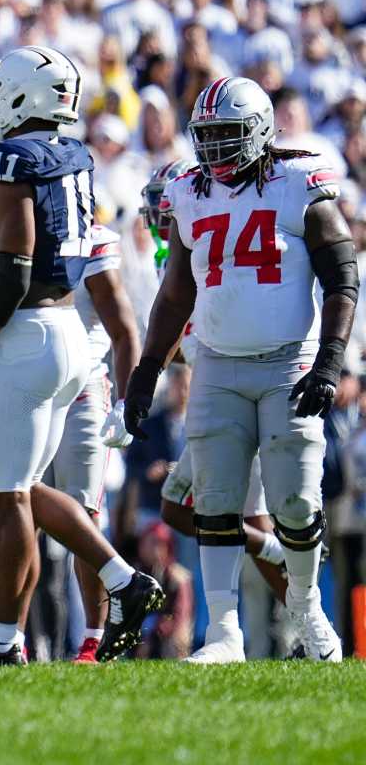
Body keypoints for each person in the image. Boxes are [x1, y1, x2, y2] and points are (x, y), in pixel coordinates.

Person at [0, 46, 164, 665]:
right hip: (66, 334)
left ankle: (118, 582)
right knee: (23, 492)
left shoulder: (11, 158)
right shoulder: (77, 156)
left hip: (26, 332)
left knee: (10, 498)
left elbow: (11, 271)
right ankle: (7, 641)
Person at [127, 76, 355, 663]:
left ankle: (307, 611)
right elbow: (176, 292)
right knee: (217, 500)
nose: (215, 148)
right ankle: (222, 632)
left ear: (258, 130)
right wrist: (148, 367)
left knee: (297, 504)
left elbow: (341, 275)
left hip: (289, 362)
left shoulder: (300, 180)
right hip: (218, 365)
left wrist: (331, 359)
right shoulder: (187, 189)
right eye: (206, 136)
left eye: (227, 135)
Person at [142, 160, 291, 660]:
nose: (158, 216)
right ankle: (293, 617)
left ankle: (302, 627)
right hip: (215, 399)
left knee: (241, 515)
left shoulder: (208, 257)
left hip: (234, 395)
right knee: (201, 513)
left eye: (162, 205)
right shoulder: (180, 259)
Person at [41, 223, 143, 663]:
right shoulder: (7, 229)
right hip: (26, 392)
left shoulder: (92, 242)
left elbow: (123, 329)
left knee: (83, 514)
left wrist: (126, 401)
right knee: (15, 507)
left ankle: (92, 637)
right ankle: (11, 637)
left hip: (83, 388)